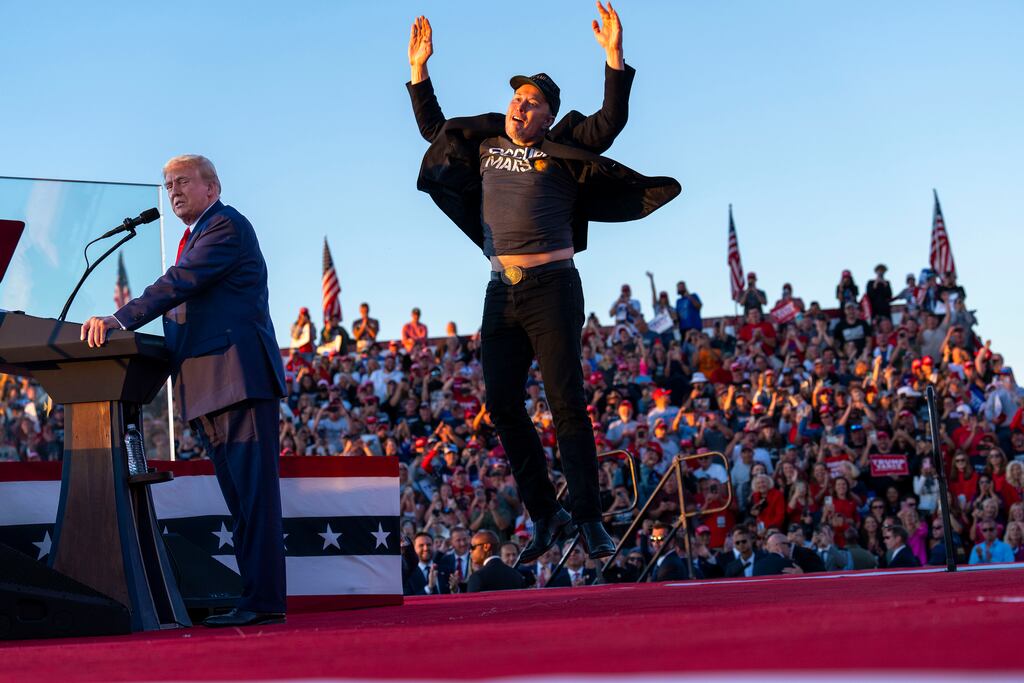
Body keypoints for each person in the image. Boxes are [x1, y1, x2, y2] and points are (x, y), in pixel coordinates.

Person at [406, 4, 679, 563]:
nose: (519, 106)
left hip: (554, 286)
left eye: (531, 102)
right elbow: (438, 132)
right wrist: (419, 73)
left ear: (548, 115)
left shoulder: (562, 145)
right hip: (499, 290)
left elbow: (609, 123)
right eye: (516, 98)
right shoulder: (486, 143)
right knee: (502, 404)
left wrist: (613, 58)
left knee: (567, 404)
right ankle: (546, 515)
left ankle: (588, 518)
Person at [81, 154, 287, 627]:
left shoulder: (225, 227)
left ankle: (265, 601)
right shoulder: (195, 235)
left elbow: (180, 283)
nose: (173, 191)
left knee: (254, 499)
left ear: (212, 188)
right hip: (210, 384)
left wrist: (120, 320)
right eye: (168, 184)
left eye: (183, 182)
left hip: (237, 378)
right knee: (241, 502)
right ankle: (258, 598)